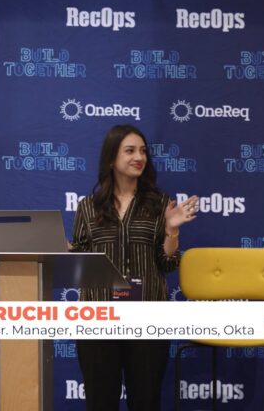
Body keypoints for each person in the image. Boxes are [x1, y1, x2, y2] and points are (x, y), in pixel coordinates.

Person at [70, 124, 198, 411]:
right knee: (100, 403)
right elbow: (79, 259)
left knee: (146, 401)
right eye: (129, 151)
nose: (139, 157)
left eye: (142, 151)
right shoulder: (88, 207)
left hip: (148, 315)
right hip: (98, 317)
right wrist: (65, 252)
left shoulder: (160, 204)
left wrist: (171, 230)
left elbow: (166, 263)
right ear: (111, 159)